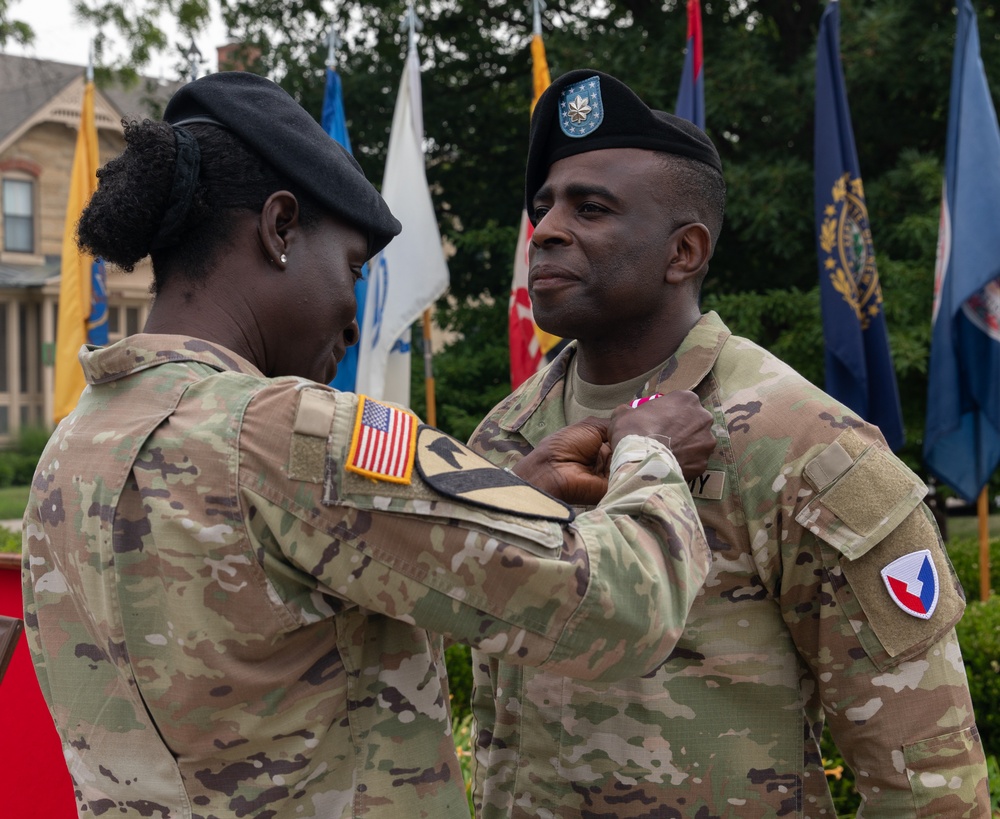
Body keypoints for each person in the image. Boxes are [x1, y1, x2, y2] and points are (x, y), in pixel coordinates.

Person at [20, 72, 720, 819]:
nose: (352, 322)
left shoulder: (75, 443)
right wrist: (651, 452)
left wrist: (509, 494)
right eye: (353, 269)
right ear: (280, 226)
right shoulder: (295, 430)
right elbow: (623, 610)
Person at [467, 69, 990, 817]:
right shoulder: (506, 434)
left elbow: (924, 773)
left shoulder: (801, 440)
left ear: (684, 252)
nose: (545, 229)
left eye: (591, 208)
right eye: (544, 205)